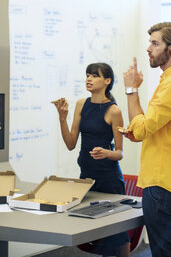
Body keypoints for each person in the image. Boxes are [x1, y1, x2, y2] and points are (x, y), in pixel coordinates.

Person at [122, 22, 171, 257]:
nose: (148, 48)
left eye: (155, 43)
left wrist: (131, 90)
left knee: (165, 251)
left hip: (162, 182)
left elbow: (143, 129)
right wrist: (137, 130)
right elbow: (151, 129)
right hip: (169, 180)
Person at [53, 62, 130, 257]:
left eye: (94, 75)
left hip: (109, 179)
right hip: (87, 177)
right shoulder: (81, 104)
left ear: (107, 81)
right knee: (97, 231)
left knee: (116, 232)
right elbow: (71, 143)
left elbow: (119, 152)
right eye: (87, 75)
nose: (89, 78)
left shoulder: (114, 111)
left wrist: (106, 152)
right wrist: (62, 118)